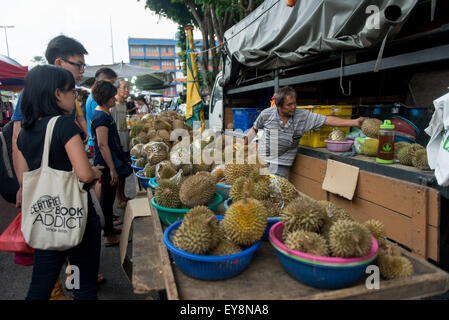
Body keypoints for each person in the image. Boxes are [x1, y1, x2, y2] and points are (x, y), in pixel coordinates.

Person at [16, 65, 103, 300]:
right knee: (82, 284)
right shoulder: (64, 125)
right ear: (57, 94)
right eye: (71, 92)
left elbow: (27, 175)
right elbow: (84, 174)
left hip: (45, 220)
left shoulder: (25, 131)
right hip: (76, 218)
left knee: (40, 287)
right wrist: (95, 172)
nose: (74, 98)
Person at [244, 86, 365, 178]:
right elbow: (254, 129)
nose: (294, 107)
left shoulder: (303, 116)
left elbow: (327, 120)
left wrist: (354, 122)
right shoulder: (266, 114)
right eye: (289, 104)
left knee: (277, 194)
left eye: (295, 103)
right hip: (263, 158)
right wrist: (243, 147)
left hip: (282, 163)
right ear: (278, 106)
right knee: (259, 191)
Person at [90, 81, 125, 246]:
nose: (114, 99)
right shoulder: (101, 117)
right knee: (107, 196)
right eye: (112, 96)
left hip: (109, 160)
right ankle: (109, 234)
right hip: (105, 163)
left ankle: (109, 227)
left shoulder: (104, 113)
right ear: (105, 98)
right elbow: (102, 145)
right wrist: (112, 169)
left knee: (109, 197)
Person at [85, 68, 118, 158]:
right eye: (110, 83)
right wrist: (112, 169)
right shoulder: (97, 100)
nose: (112, 86)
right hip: (98, 144)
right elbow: (102, 144)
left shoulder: (95, 97)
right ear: (101, 82)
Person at [110, 80, 130, 208]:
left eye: (128, 88)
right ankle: (119, 199)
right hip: (117, 145)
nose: (127, 90)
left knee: (124, 173)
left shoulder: (124, 105)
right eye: (124, 88)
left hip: (125, 142)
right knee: (118, 173)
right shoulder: (113, 106)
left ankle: (123, 195)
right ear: (117, 89)